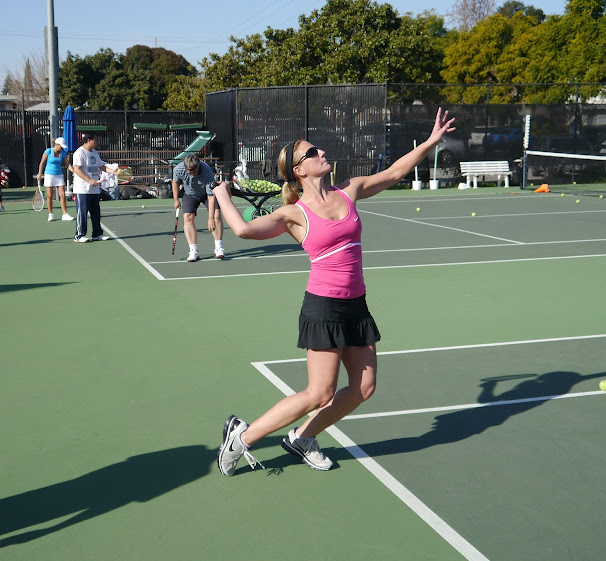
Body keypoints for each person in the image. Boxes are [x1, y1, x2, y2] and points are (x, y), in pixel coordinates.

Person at [212, 108, 456, 476]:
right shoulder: (293, 214)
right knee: (319, 394)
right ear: (299, 170)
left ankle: (302, 438)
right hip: (324, 307)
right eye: (312, 153)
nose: (322, 153)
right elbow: (244, 231)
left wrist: (431, 142)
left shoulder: (350, 190)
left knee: (363, 388)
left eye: (319, 150)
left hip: (356, 305)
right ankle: (242, 438)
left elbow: (394, 172)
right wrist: (221, 194)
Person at [171, 153, 224, 262]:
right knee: (187, 217)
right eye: (189, 172)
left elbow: (211, 197)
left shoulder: (207, 171)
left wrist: (210, 218)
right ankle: (193, 250)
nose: (191, 174)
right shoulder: (179, 169)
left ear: (198, 166)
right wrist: (176, 199)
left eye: (194, 172)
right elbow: (175, 182)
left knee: (216, 215)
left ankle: (218, 248)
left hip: (206, 194)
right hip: (190, 194)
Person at [70, 131, 117, 243]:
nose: (97, 142)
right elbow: (76, 169)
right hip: (82, 190)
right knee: (82, 213)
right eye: (95, 140)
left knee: (96, 213)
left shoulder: (95, 152)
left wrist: (114, 171)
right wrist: (90, 180)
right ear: (89, 140)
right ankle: (79, 235)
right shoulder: (79, 153)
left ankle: (97, 234)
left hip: (94, 190)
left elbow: (102, 166)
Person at [36, 137, 73, 222]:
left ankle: (65, 214)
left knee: (62, 195)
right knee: (50, 196)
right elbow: (42, 162)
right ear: (57, 145)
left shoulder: (63, 153)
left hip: (59, 175)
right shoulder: (48, 151)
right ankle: (50, 214)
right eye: (61, 146)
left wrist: (74, 171)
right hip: (49, 175)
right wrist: (39, 173)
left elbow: (68, 165)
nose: (62, 148)